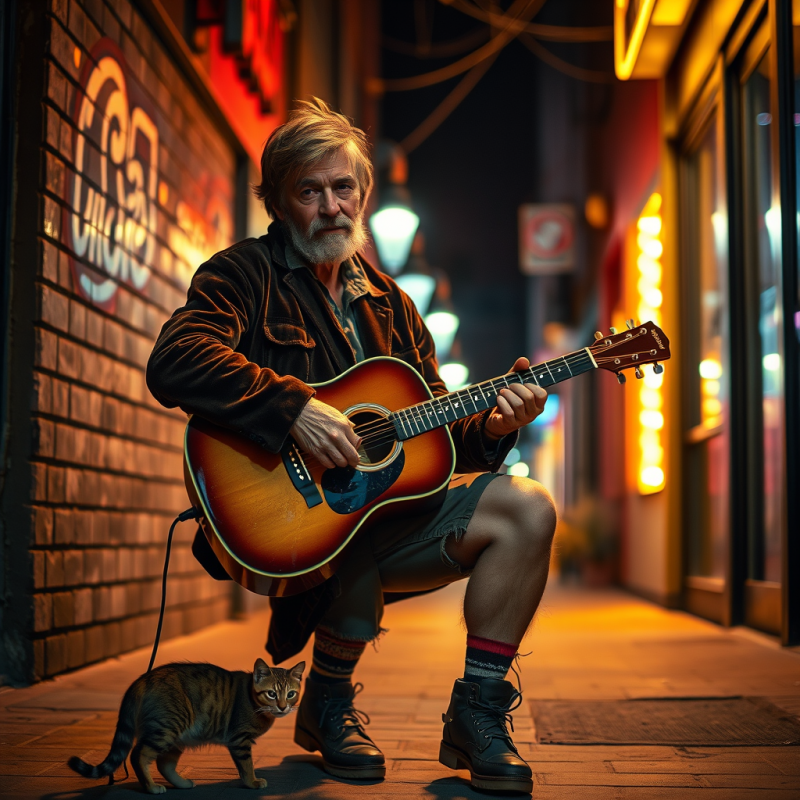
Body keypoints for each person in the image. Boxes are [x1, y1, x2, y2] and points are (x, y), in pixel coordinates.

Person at [146, 98, 556, 795]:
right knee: (351, 534)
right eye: (309, 191)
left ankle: (479, 715)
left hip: (379, 518)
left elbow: (437, 435)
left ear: (363, 195)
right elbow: (176, 360)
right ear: (280, 202)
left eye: (343, 189)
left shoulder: (393, 305)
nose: (331, 207)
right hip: (281, 523)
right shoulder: (241, 274)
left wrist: (491, 427)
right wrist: (291, 409)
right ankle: (329, 701)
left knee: (529, 510)